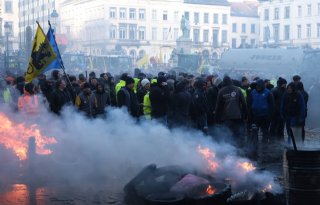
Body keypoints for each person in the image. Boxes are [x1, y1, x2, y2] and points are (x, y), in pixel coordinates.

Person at [215, 76, 247, 146]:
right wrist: (245, 115)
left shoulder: (221, 91)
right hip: (237, 116)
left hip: (226, 117)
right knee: (237, 134)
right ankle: (237, 149)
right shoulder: (238, 89)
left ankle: (229, 149)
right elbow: (244, 103)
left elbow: (218, 107)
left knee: (228, 135)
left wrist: (217, 118)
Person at [248, 79, 274, 144]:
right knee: (254, 132)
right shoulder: (253, 92)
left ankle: (264, 147)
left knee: (265, 132)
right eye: (257, 85)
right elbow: (249, 104)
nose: (257, 87)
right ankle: (254, 147)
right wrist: (250, 115)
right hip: (255, 117)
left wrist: (270, 116)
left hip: (265, 117)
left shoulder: (268, 93)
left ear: (262, 85)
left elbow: (272, 106)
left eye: (259, 85)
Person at [281, 82, 305, 147]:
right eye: (288, 88)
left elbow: (302, 107)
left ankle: (290, 143)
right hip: (287, 115)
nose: (289, 89)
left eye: (290, 88)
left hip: (294, 116)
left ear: (293, 88)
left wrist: (301, 117)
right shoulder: (285, 94)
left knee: (292, 129)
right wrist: (282, 113)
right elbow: (282, 104)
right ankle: (291, 142)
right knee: (288, 129)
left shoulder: (298, 95)